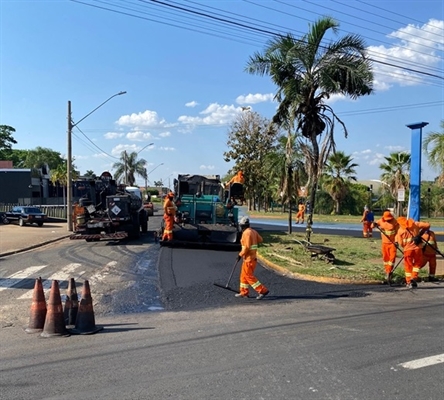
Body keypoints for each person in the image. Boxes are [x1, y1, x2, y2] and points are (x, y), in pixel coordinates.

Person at [235, 216, 269, 300]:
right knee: (243, 275)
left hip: (249, 258)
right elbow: (260, 239)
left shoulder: (246, 233)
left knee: (248, 276)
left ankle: (262, 290)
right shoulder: (253, 231)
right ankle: (244, 292)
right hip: (251, 258)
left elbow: (246, 247)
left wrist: (240, 255)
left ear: (242, 226)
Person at [395, 217, 430, 288]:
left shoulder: (400, 230)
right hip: (418, 248)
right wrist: (420, 233)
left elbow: (401, 243)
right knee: (417, 264)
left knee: (408, 265)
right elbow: (427, 225)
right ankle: (414, 277)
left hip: (407, 250)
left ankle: (408, 281)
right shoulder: (415, 224)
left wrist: (405, 245)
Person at [372, 210, 399, 283]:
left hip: (392, 243)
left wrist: (396, 241)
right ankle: (387, 272)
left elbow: (397, 233)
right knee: (385, 259)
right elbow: (372, 226)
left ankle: (389, 272)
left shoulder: (395, 222)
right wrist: (374, 224)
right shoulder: (381, 221)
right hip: (384, 243)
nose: (389, 220)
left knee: (392, 258)